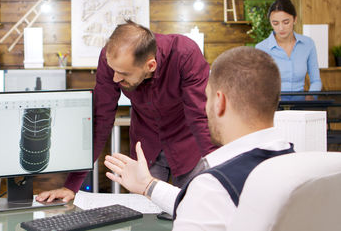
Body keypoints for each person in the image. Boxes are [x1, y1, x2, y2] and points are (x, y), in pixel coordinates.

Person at [104, 47, 294, 230]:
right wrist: (148, 185)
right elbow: (207, 207)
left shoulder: (213, 185)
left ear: (220, 102)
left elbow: (206, 202)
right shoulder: (293, 164)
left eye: (207, 97)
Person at [37, 20, 218, 203]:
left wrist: (222, 172)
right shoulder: (112, 60)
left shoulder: (185, 54)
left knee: (193, 207)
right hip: (146, 148)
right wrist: (71, 186)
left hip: (187, 143)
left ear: (150, 66)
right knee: (143, 213)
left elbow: (200, 117)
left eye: (123, 74)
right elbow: (101, 119)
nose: (115, 78)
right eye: (113, 71)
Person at [255, 0, 322, 92]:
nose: (281, 28)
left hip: (301, 103)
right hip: (273, 104)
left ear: (295, 19)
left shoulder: (308, 44)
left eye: (286, 22)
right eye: (275, 23)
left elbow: (316, 81)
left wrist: (311, 97)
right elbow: (259, 84)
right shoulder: (261, 48)